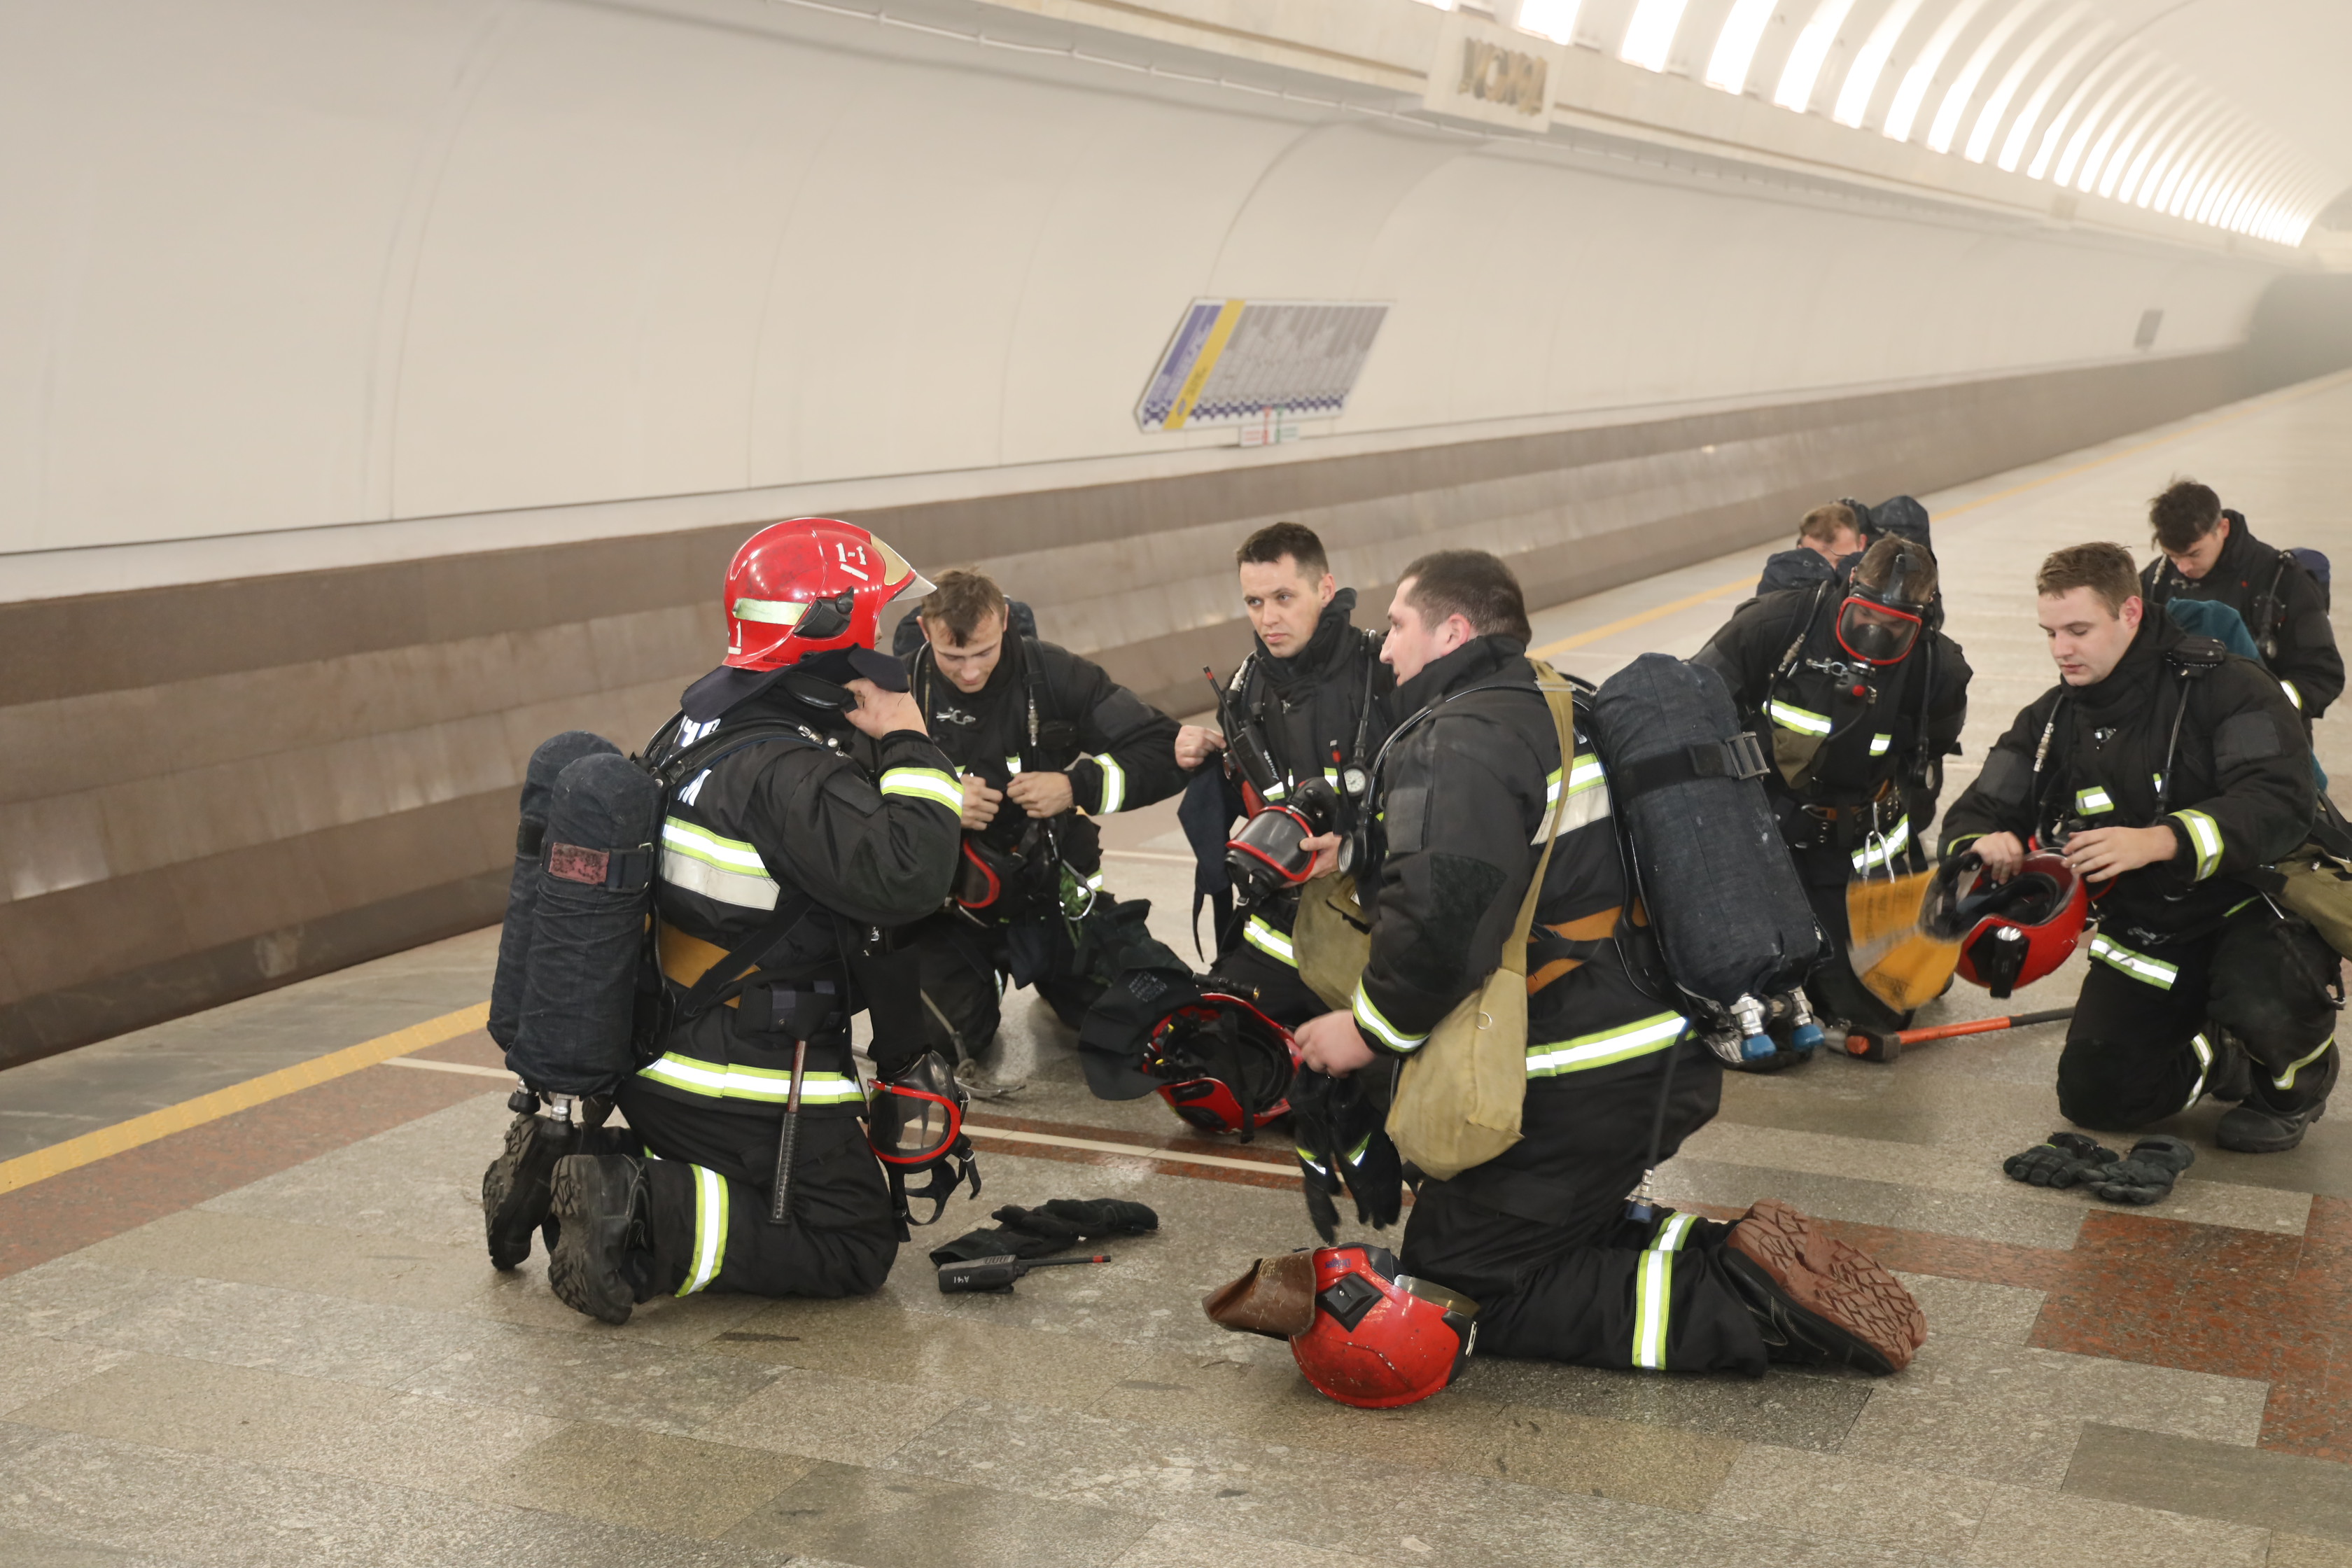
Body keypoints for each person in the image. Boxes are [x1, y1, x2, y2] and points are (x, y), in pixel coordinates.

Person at [1290, 549, 1924, 1380]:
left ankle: (1738, 1303)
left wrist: (1367, 1030)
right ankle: (1714, 1247)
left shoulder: (1461, 739)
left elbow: (1446, 922)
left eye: (1400, 624)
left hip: (1580, 1080)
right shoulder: (1558, 702)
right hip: (1653, 1055)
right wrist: (1360, 854)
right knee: (1513, 1227)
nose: (1385, 647)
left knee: (1460, 1283)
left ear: (1453, 631)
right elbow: (1531, 863)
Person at [482, 517, 967, 1324]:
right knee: (849, 1239)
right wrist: (911, 741)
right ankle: (635, 1206)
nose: (883, 636)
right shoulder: (791, 772)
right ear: (835, 625)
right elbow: (909, 874)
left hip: (652, 1056)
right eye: (875, 616)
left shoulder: (700, 724)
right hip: (739, 1078)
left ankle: (564, 1148)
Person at [1943, 543, 2332, 1175]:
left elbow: (2279, 801)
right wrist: (1981, 843)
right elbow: (1984, 804)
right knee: (2096, 1098)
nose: (2061, 650)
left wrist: (2161, 840)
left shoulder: (2228, 687)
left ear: (2129, 612)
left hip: (2248, 906)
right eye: (2050, 633)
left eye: (2078, 630)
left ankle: (2293, 1085)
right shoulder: (2052, 719)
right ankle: (2221, 1054)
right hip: (2150, 926)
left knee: (2263, 998)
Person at [899, 568, 1191, 1091]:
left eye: (984, 652)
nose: (970, 672)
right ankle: (979, 982)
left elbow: (1162, 746)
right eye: (953, 657)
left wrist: (1076, 786)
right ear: (925, 632)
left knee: (1156, 1014)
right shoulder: (896, 691)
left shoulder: (1054, 674)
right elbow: (842, 792)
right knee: (936, 1042)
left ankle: (1059, 980)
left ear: (1005, 622)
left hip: (1050, 900)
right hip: (949, 915)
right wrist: (936, 800)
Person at [1694, 536, 1973, 1055]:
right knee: (1739, 994)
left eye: (1896, 627)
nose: (1875, 634)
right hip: (1764, 837)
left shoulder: (1939, 670)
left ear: (1924, 617)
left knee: (1892, 1003)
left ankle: (1835, 963)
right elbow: (1690, 701)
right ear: (1850, 587)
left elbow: (1927, 760)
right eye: (1864, 616)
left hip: (1855, 846)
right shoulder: (1777, 625)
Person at [1178, 522, 1393, 1025]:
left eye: (1283, 597)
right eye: (1254, 602)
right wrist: (1208, 757)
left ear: (1325, 589)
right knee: (1210, 1039)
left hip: (1379, 918)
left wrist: (1354, 849)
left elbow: (1444, 808)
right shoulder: (1243, 694)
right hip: (1282, 922)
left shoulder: (1385, 674)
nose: (1268, 618)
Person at [2140, 478, 2342, 724]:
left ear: (2223, 528)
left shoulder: (2284, 580)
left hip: (2265, 728)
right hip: (2180, 731)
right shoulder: (2156, 580)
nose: (2183, 567)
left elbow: (2322, 675)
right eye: (2173, 556)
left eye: (2194, 554)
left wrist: (2270, 704)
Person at [1752, 503, 1868, 596]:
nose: (1832, 571)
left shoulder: (1876, 576)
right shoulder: (1778, 582)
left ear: (1861, 544)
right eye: (1820, 563)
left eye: (1842, 561)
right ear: (1800, 551)